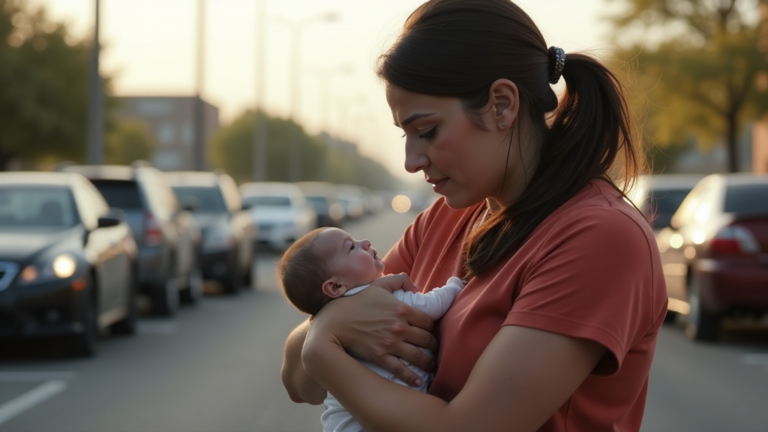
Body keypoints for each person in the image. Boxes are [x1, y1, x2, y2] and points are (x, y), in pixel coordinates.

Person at [281, 0, 668, 431]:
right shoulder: (444, 220)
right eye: (405, 135)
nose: (411, 160)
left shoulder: (599, 237)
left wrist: (322, 344)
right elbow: (299, 385)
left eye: (426, 130)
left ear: (502, 105)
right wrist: (327, 330)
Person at [277, 226, 465, 432]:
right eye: (351, 248)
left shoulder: (368, 294)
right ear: (336, 287)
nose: (365, 242)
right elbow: (433, 305)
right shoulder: (388, 297)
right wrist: (456, 285)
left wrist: (328, 327)